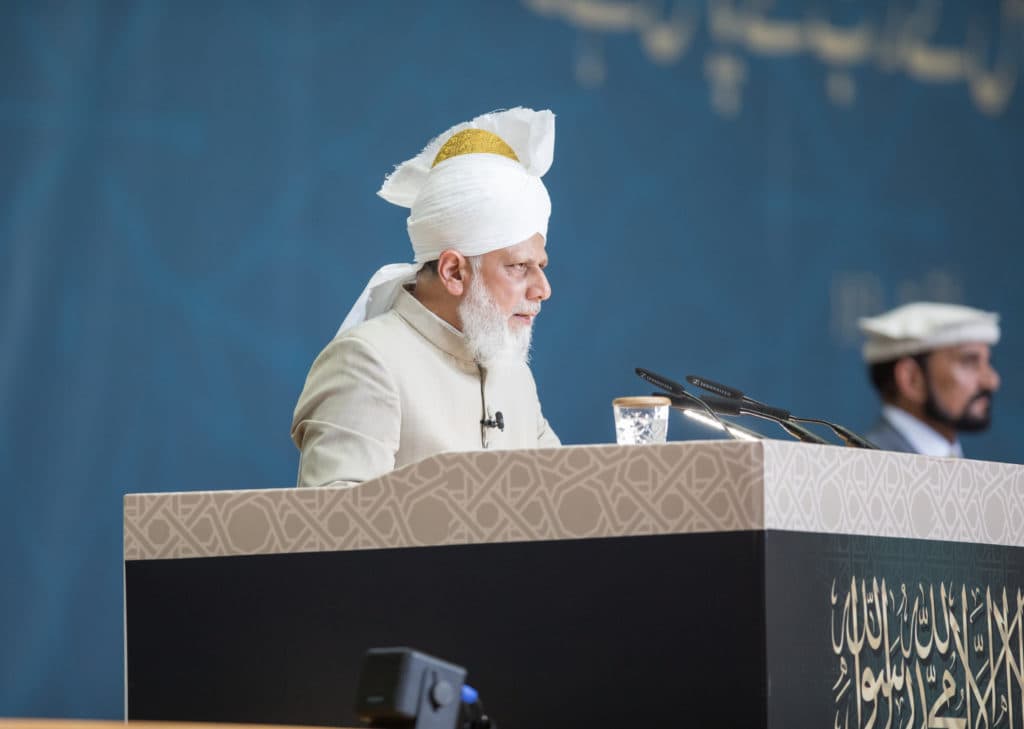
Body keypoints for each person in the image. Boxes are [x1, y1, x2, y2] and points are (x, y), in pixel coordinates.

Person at [291, 108, 561, 488]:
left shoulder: (514, 374)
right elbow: (333, 532)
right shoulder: (366, 361)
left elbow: (565, 502)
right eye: (519, 266)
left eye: (542, 266)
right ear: (453, 271)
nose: (542, 290)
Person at [858, 302, 1001, 457]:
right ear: (912, 378)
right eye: (969, 362)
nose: (992, 381)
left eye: (987, 363)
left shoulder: (951, 458)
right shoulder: (871, 468)